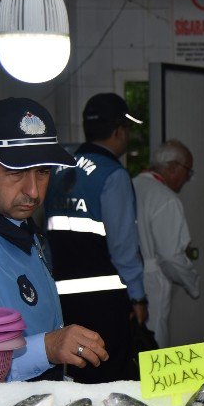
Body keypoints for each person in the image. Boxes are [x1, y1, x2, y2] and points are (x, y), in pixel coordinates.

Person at [0, 97, 109, 381]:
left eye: (43, 171)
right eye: (16, 172)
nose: (33, 191)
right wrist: (46, 348)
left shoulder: (16, 223)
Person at [45, 92, 147, 383]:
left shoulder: (57, 172)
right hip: (105, 304)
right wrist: (138, 298)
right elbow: (124, 249)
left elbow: (47, 239)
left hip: (63, 304)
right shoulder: (113, 175)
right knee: (112, 381)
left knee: (76, 380)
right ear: (119, 132)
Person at [133, 139, 200, 348]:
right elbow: (171, 257)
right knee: (155, 350)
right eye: (187, 171)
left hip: (129, 285)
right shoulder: (166, 199)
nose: (188, 179)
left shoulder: (130, 185)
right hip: (152, 287)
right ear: (172, 167)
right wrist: (193, 284)